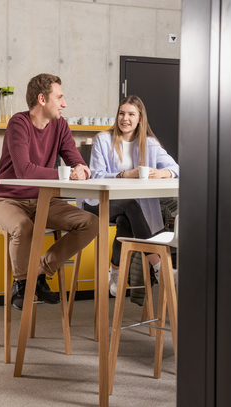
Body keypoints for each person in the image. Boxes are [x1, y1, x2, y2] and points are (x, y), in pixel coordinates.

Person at [0, 73, 99, 310]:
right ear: (42, 99)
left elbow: (78, 162)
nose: (64, 103)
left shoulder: (61, 126)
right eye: (60, 97)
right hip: (4, 200)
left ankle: (40, 271)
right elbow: (24, 170)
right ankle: (22, 283)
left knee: (91, 223)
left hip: (42, 200)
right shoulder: (19, 123)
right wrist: (66, 174)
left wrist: (82, 170)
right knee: (23, 228)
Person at [83, 95, 179, 296]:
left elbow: (175, 168)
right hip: (98, 202)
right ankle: (160, 267)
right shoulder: (103, 139)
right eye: (121, 113)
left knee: (125, 221)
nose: (125, 118)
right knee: (131, 206)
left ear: (140, 119)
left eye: (131, 114)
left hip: (127, 208)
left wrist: (162, 173)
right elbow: (96, 175)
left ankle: (116, 271)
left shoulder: (150, 143)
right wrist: (125, 174)